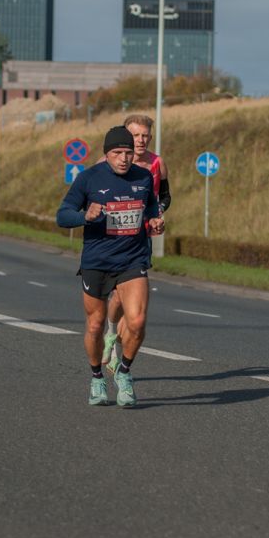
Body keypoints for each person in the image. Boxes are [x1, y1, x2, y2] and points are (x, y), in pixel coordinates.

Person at [57, 126, 165, 407]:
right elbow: (62, 215)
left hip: (133, 259)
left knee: (138, 321)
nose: (124, 158)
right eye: (118, 153)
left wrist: (155, 221)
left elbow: (151, 207)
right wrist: (85, 215)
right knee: (95, 325)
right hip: (97, 261)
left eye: (129, 153)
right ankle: (96, 378)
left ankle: (125, 372)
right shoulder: (88, 178)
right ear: (106, 154)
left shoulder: (143, 177)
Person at [101, 114, 172, 374]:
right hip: (112, 238)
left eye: (145, 136)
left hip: (140, 238)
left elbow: (165, 196)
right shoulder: (105, 163)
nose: (141, 141)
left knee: (128, 295)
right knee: (117, 294)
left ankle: (116, 340)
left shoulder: (157, 163)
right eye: (135, 135)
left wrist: (157, 213)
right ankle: (110, 333)